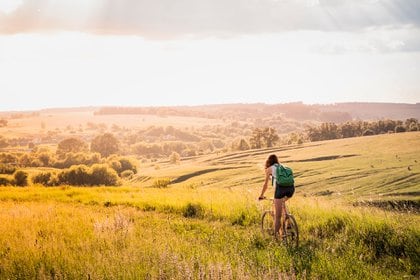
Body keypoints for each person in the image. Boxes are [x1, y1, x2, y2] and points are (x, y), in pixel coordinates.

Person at [259, 154, 295, 238]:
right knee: (282, 203)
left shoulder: (269, 169)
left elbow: (265, 185)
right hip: (291, 189)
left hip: (280, 190)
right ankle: (288, 222)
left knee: (278, 217)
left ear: (268, 162)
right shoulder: (283, 167)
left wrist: (261, 195)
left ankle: (275, 239)